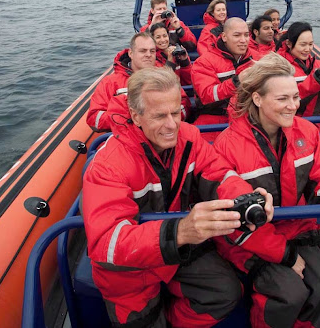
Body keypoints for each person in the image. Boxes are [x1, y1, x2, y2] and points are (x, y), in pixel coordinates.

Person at [82, 66, 274, 327]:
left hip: (177, 250)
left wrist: (247, 198)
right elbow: (107, 243)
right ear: (135, 116)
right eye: (160, 116)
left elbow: (218, 174)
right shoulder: (108, 165)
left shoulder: (190, 137)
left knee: (224, 293)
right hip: (130, 273)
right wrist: (181, 232)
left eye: (175, 113)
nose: (172, 125)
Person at [212, 53, 320, 328]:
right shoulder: (227, 146)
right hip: (251, 239)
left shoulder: (307, 133)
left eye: (295, 97)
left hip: (299, 226)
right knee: (287, 293)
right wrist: (285, 254)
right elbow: (233, 220)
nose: (293, 106)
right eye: (283, 99)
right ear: (258, 99)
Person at [85, 32, 190, 132]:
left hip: (163, 133)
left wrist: (162, 118)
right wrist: (134, 118)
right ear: (131, 53)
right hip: (125, 136)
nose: (148, 55)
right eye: (143, 51)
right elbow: (94, 119)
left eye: (152, 51)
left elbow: (184, 105)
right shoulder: (110, 82)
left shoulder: (165, 76)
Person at [191, 18, 255, 140]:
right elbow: (207, 95)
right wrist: (237, 82)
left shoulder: (255, 59)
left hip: (249, 117)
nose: (243, 40)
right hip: (214, 118)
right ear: (224, 37)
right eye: (237, 35)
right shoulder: (204, 62)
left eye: (246, 35)